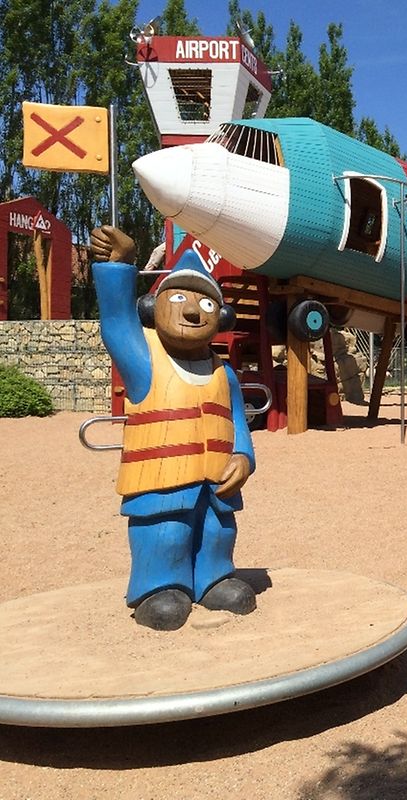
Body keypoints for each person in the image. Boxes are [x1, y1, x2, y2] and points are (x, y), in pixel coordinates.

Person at [90, 225, 256, 632]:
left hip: (215, 484)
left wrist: (243, 457)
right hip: (160, 480)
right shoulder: (144, 360)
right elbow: (116, 323)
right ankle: (158, 585)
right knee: (165, 533)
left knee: (217, 532)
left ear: (221, 318)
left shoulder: (223, 372)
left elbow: (237, 420)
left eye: (206, 303)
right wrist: (119, 264)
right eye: (179, 298)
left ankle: (213, 578)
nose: (193, 311)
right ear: (153, 307)